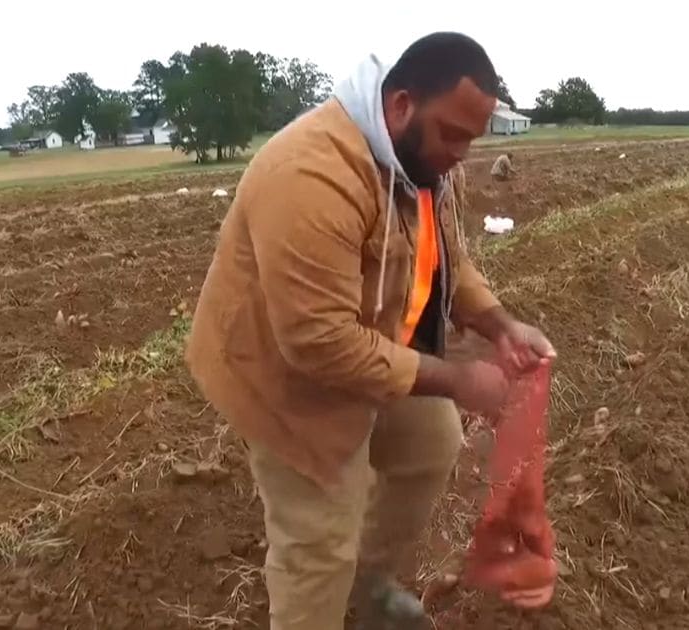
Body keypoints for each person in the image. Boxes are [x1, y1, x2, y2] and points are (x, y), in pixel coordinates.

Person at [185, 32, 556, 630]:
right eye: (453, 135)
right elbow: (319, 343)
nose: (462, 153)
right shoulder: (311, 174)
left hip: (372, 344)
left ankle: (366, 590)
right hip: (286, 376)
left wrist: (500, 325)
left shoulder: (423, 162)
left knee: (432, 444)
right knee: (318, 545)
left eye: (471, 137)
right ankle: (324, 601)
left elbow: (447, 262)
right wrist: (459, 380)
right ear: (401, 105)